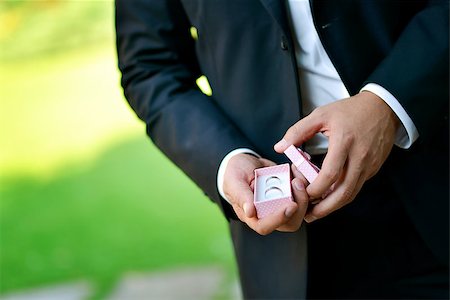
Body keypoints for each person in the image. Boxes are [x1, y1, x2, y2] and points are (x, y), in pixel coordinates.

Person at [115, 0, 449, 298]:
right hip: (282, 231)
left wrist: (386, 104)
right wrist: (225, 159)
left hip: (431, 174)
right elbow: (150, 67)